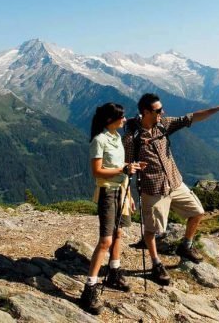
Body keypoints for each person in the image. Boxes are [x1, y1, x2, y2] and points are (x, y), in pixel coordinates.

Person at [123, 93, 219, 285]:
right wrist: (128, 194)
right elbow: (127, 167)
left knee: (198, 212)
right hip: (153, 189)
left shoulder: (163, 124)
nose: (163, 112)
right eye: (158, 110)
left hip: (175, 183)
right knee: (153, 230)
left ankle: (186, 245)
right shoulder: (131, 138)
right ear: (145, 112)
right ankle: (156, 264)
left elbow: (190, 117)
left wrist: (218, 108)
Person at [79, 103, 146, 315]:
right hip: (108, 192)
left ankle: (114, 272)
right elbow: (97, 171)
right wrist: (123, 169)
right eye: (122, 117)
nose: (125, 120)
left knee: (118, 233)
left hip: (121, 189)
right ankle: (89, 288)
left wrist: (130, 175)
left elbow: (120, 168)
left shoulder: (116, 137)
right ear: (110, 120)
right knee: (106, 239)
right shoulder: (99, 140)